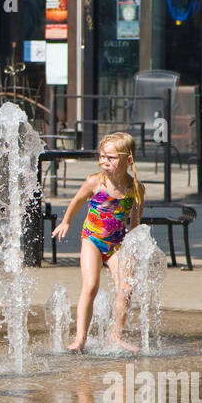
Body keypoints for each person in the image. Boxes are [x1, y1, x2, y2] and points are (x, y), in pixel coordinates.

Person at [51, 131, 146, 353]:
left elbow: (135, 221)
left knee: (125, 287)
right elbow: (77, 200)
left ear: (128, 160)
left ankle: (116, 336)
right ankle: (80, 338)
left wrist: (134, 247)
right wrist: (66, 222)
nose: (104, 161)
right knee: (91, 286)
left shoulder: (136, 189)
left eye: (111, 158)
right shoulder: (95, 182)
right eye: (102, 156)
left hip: (117, 245)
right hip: (92, 240)